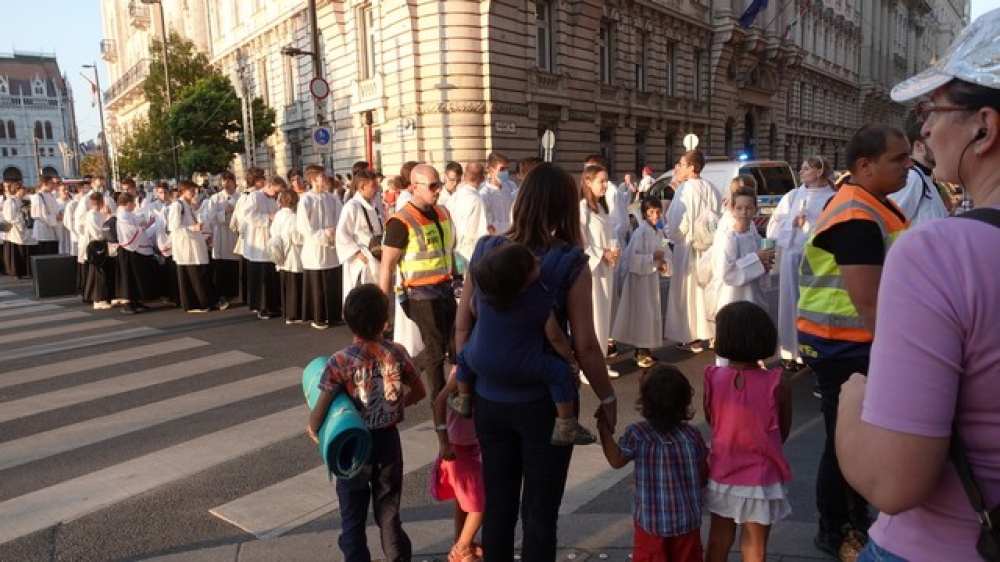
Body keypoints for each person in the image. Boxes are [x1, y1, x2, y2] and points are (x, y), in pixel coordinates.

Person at [836, 11, 1000, 561]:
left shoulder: (939, 254)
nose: (925, 129)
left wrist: (851, 404)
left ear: (984, 127)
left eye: (935, 110)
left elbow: (893, 482)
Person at [455, 162, 617, 561]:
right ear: (565, 206)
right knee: (540, 513)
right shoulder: (570, 260)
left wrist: (468, 376)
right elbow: (586, 345)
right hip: (545, 403)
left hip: (490, 398)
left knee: (498, 505)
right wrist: (607, 397)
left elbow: (463, 325)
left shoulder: (486, 249)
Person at [796, 124, 911, 557]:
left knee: (847, 435)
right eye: (898, 159)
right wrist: (900, 359)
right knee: (845, 439)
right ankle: (839, 528)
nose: (908, 166)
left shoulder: (868, 202)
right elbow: (870, 303)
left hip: (844, 341)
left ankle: (850, 519)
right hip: (843, 345)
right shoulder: (856, 214)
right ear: (865, 165)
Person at [308, 284, 426, 562]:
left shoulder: (339, 362)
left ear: (347, 320)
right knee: (389, 513)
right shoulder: (397, 353)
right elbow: (419, 391)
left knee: (352, 516)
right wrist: (397, 405)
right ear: (385, 320)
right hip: (388, 443)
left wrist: (314, 428)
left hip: (353, 445)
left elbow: (321, 408)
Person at [449, 242, 596, 446]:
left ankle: (463, 397)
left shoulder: (484, 297)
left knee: (463, 357)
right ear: (523, 280)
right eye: (533, 264)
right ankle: (566, 424)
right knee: (560, 374)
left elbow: (472, 310)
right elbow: (555, 336)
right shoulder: (539, 300)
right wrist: (570, 360)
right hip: (523, 365)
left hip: (480, 359)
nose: (538, 262)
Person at [596, 365, 707, 562]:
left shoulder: (637, 434)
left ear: (644, 402)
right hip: (686, 522)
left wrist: (603, 429)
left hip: (651, 524)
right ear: (685, 401)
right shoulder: (692, 436)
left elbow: (616, 459)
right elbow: (703, 474)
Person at [378, 164, 457, 403]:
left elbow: (447, 250)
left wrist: (457, 278)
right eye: (432, 186)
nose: (438, 190)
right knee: (435, 350)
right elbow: (386, 266)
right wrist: (382, 310)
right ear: (414, 187)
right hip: (417, 294)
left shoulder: (443, 212)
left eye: (439, 184)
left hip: (444, 288)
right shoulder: (400, 221)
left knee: (454, 344)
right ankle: (439, 404)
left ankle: (403, 371)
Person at [766, 156, 836, 369]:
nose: (801, 172)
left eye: (806, 168)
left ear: (819, 172)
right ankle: (790, 350)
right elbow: (775, 224)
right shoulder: (793, 195)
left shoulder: (832, 198)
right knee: (790, 301)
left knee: (811, 305)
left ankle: (811, 350)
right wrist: (793, 225)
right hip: (791, 255)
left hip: (816, 259)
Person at [664, 150, 721, 353]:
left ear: (692, 167)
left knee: (689, 292)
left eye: (682, 164)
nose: (679, 167)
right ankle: (713, 333)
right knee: (707, 290)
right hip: (709, 247)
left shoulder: (685, 189)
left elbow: (677, 220)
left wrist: (671, 235)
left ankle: (692, 337)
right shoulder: (711, 187)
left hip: (688, 247)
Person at [432, 369, 486, 562]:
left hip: (470, 446)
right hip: (458, 449)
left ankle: (462, 541)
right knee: (480, 504)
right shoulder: (462, 371)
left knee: (465, 500)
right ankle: (461, 549)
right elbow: (439, 402)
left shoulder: (475, 367)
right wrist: (444, 441)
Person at [612, 196, 670, 369]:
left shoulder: (658, 232)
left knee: (650, 314)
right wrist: (652, 258)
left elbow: (664, 251)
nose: (655, 216)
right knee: (642, 315)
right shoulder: (640, 233)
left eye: (658, 212)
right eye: (651, 212)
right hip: (639, 281)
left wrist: (663, 264)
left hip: (650, 279)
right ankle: (640, 351)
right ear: (644, 214)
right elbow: (632, 259)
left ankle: (646, 349)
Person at [580, 164, 622, 371]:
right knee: (593, 317)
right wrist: (601, 253)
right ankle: (590, 366)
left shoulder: (602, 208)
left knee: (604, 317)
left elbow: (611, 234)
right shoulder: (582, 208)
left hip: (606, 269)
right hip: (592, 271)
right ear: (588, 182)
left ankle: (600, 361)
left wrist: (615, 250)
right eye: (601, 181)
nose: (605, 185)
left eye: (606, 181)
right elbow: (580, 241)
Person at [711, 184, 775, 317]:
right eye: (739, 208)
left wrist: (766, 265)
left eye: (748, 208)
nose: (744, 212)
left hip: (754, 297)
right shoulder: (729, 237)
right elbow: (726, 273)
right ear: (732, 210)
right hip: (732, 296)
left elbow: (762, 271)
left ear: (755, 210)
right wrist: (756, 259)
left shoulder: (755, 236)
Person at [298, 165, 345, 329]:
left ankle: (334, 315)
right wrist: (324, 234)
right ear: (312, 179)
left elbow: (340, 218)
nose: (325, 178)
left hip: (332, 247)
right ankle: (318, 317)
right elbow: (303, 226)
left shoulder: (332, 198)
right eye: (321, 176)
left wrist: (335, 233)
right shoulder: (306, 199)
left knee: (333, 281)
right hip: (315, 248)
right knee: (318, 284)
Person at [888, 118, 949, 226]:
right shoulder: (912, 178)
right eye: (937, 143)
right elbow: (890, 220)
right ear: (919, 146)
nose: (943, 149)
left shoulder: (924, 178)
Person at [170, 180, 218, 313]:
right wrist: (193, 228)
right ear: (183, 191)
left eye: (194, 191)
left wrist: (197, 210)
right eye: (191, 191)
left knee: (199, 271)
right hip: (186, 245)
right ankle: (193, 303)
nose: (194, 193)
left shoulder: (189, 205)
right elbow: (174, 227)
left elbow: (197, 220)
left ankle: (203, 301)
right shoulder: (177, 205)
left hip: (194, 243)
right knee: (192, 273)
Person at [336, 170, 383, 303]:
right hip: (361, 261)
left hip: (375, 257)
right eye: (373, 186)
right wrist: (357, 253)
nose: (377, 190)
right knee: (360, 298)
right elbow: (342, 233)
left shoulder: (374, 206)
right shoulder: (352, 206)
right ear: (362, 187)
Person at [243, 176, 282, 319]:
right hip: (257, 241)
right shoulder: (255, 196)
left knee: (270, 275)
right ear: (269, 185)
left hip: (269, 239)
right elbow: (247, 214)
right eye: (276, 191)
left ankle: (272, 305)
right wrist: (267, 217)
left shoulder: (272, 200)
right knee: (260, 277)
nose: (276, 195)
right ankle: (261, 307)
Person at [114, 191, 157, 314]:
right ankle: (128, 303)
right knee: (129, 277)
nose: (134, 205)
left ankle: (136, 300)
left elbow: (136, 221)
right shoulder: (122, 214)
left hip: (134, 249)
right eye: (133, 203)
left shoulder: (128, 214)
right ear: (128, 203)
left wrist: (143, 223)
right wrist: (143, 227)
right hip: (128, 249)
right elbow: (130, 230)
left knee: (135, 276)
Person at [444, 162, 489, 276]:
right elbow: (481, 233)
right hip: (471, 253)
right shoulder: (477, 201)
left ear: (464, 176)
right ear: (483, 178)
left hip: (455, 251)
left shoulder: (454, 198)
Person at [204, 171, 241, 306]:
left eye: (229, 181)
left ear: (234, 182)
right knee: (222, 265)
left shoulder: (240, 197)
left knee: (236, 262)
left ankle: (236, 293)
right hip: (221, 233)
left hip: (235, 234)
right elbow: (210, 217)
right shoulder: (215, 198)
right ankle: (223, 294)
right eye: (224, 181)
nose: (226, 183)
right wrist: (225, 212)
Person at [270, 189, 304, 324]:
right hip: (292, 254)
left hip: (280, 252)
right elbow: (296, 237)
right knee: (294, 285)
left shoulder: (278, 215)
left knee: (285, 284)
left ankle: (286, 312)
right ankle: (294, 314)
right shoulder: (294, 217)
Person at [81, 192, 115, 309]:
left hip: (101, 244)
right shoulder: (92, 215)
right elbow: (97, 233)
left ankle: (103, 297)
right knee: (98, 273)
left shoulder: (98, 214)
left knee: (102, 272)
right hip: (96, 245)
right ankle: (98, 299)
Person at [2, 182, 36, 279]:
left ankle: (25, 271)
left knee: (24, 248)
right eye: (22, 189)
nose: (24, 192)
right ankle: (17, 271)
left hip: (24, 228)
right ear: (17, 190)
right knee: (17, 250)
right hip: (15, 229)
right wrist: (22, 217)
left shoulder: (23, 201)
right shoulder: (10, 201)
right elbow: (9, 216)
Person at [479, 153, 515, 235]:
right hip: (495, 238)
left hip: (511, 237)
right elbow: (488, 224)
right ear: (491, 170)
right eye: (502, 169)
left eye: (507, 169)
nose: (505, 172)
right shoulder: (484, 193)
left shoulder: (511, 187)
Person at [30, 175, 60, 255]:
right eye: (51, 183)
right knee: (46, 253)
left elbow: (55, 209)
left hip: (53, 229)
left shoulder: (51, 195)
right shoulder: (38, 197)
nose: (54, 185)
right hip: (43, 230)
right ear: (44, 184)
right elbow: (39, 215)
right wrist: (55, 218)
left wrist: (58, 215)